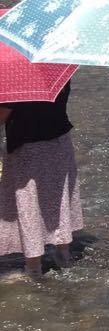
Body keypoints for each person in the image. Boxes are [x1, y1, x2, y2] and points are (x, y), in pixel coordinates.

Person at [0, 83, 83, 276]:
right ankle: (63, 256)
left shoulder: (16, 79)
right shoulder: (56, 70)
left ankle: (33, 267)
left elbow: (2, 115)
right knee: (59, 199)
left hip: (29, 147)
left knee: (29, 208)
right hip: (60, 142)